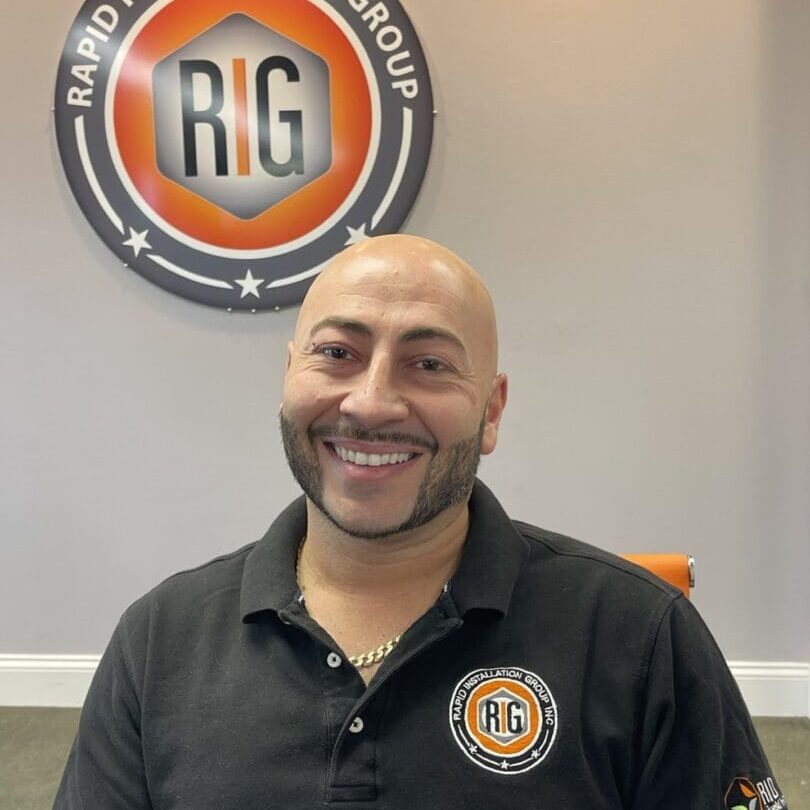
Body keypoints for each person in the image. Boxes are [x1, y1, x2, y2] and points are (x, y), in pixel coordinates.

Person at [54, 235, 788, 809]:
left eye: (428, 364)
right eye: (337, 354)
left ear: (492, 411)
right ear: (289, 377)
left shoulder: (640, 634)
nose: (371, 404)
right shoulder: (160, 638)